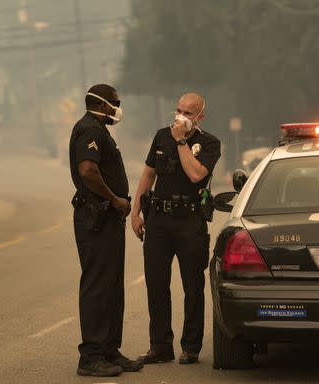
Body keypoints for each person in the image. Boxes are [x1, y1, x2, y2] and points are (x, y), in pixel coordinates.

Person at [131, 93, 221, 365]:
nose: (181, 117)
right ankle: (160, 346)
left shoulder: (209, 143)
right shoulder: (161, 136)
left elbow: (196, 174)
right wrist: (136, 211)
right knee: (157, 285)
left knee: (192, 286)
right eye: (178, 110)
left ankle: (190, 346)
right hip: (159, 220)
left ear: (200, 117)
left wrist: (181, 140)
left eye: (189, 113)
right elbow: (148, 174)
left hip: (189, 222)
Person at [69, 84, 143, 377]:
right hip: (96, 217)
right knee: (98, 285)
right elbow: (88, 170)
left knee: (112, 285)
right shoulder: (90, 130)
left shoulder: (99, 130)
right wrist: (114, 199)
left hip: (108, 218)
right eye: (116, 103)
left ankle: (110, 351)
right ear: (104, 104)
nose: (118, 107)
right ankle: (90, 356)